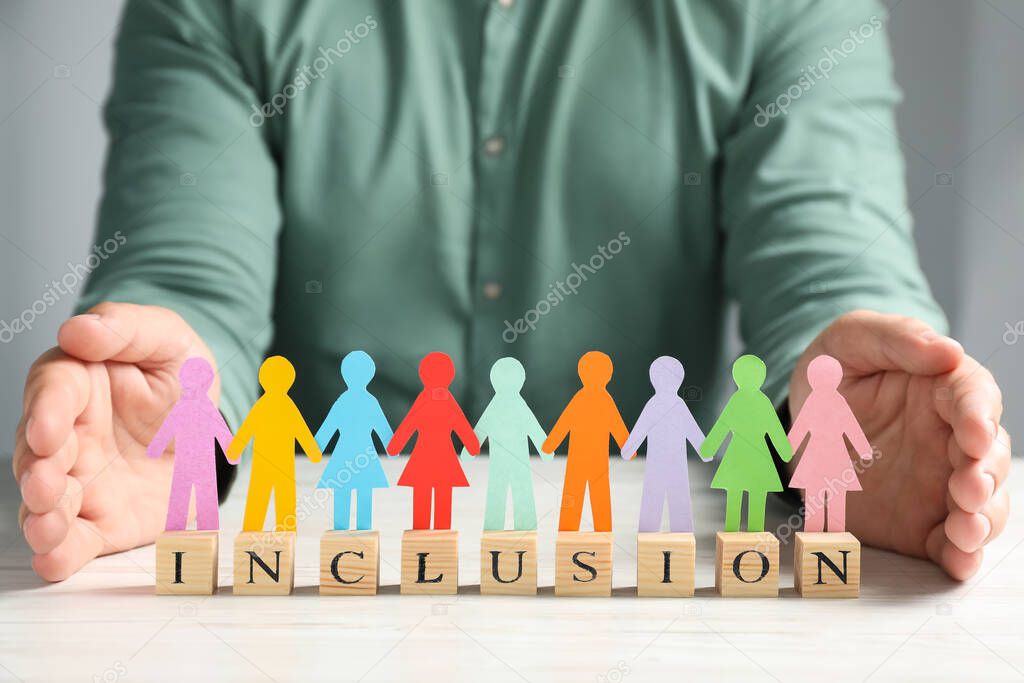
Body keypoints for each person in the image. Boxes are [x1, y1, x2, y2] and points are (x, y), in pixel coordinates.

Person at [14, 1, 1009, 581]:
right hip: (329, 567)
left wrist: (866, 405)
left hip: (646, 557)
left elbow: (831, 260)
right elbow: (188, 274)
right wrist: (155, 398)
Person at [226, 356, 323, 532]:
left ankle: (255, 529)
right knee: (282, 495)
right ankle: (277, 529)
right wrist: (313, 452)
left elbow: (246, 430)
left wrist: (233, 451)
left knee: (260, 494)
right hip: (281, 463)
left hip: (265, 463)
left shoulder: (263, 406)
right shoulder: (285, 405)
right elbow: (301, 431)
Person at [701, 355, 794, 533]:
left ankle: (750, 530)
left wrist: (709, 448)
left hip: (740, 453)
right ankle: (738, 529)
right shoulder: (759, 402)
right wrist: (785, 451)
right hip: (757, 454)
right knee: (754, 492)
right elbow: (773, 429)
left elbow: (723, 426)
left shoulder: (739, 401)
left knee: (738, 491)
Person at [387, 352, 480, 530]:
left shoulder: (425, 399)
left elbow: (409, 424)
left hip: (423, 458)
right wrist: (472, 446)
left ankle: (426, 531)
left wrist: (394, 447)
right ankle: (439, 531)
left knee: (423, 491)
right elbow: (462, 426)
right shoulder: (447, 400)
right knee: (443, 493)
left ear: (423, 375)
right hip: (445, 459)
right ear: (450, 376)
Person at [544, 351, 630, 533]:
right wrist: (628, 448)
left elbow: (563, 424)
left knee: (573, 494)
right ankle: (602, 530)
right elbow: (618, 426)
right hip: (598, 460)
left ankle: (570, 531)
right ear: (608, 375)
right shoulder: (606, 400)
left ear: (581, 373)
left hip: (577, 460)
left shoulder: (580, 398)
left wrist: (549, 446)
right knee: (599, 494)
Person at [787, 355, 873, 533]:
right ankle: (818, 532)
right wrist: (863, 449)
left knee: (820, 496)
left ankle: (830, 532)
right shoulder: (827, 401)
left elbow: (850, 426)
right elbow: (851, 427)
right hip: (833, 457)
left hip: (821, 456)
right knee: (831, 496)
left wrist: (788, 449)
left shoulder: (819, 400)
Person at [146, 357, 234, 531]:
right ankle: (178, 528)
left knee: (199, 494)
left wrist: (230, 451)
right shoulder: (186, 407)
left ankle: (206, 528)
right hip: (186, 461)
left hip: (203, 461)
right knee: (183, 493)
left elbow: (220, 431)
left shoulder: (200, 407)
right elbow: (168, 429)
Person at [465, 357, 553, 531]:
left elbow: (481, 429)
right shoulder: (518, 405)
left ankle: (496, 528)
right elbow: (534, 429)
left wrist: (470, 451)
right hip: (519, 460)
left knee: (497, 493)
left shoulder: (496, 405)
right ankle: (523, 527)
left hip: (500, 461)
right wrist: (546, 451)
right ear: (521, 380)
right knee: (521, 492)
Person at [621, 356, 706, 534]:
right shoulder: (666, 404)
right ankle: (651, 533)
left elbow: (692, 429)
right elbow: (641, 429)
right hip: (662, 463)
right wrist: (705, 451)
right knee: (659, 495)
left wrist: (629, 450)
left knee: (674, 496)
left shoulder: (667, 404)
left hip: (667, 462)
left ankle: (679, 532)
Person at [314, 351, 394, 531]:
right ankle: (356, 529)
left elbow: (327, 428)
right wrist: (392, 449)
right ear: (370, 375)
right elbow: (383, 429)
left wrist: (315, 449)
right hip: (365, 457)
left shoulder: (343, 401)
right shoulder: (370, 401)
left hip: (344, 456)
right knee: (363, 491)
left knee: (343, 491)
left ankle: (345, 529)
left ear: (344, 375)